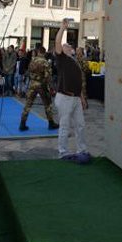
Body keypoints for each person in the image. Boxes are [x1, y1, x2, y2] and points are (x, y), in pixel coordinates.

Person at [54, 20, 90, 163]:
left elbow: (78, 82)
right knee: (65, 125)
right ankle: (63, 152)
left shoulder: (73, 61)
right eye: (66, 46)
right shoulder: (62, 59)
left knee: (80, 125)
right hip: (65, 97)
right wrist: (62, 27)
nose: (69, 46)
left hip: (75, 98)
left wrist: (82, 97)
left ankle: (82, 149)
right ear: (62, 50)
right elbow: (57, 42)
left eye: (69, 45)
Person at [19, 47, 59, 131]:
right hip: (42, 85)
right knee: (47, 105)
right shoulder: (45, 62)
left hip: (32, 84)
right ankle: (51, 123)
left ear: (38, 52)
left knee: (28, 104)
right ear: (44, 53)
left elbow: (29, 72)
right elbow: (48, 76)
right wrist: (50, 86)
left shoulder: (33, 61)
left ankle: (22, 123)